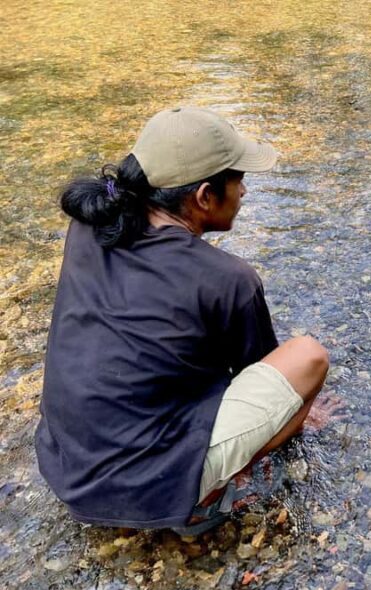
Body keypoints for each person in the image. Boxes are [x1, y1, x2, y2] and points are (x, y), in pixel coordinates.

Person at [35, 107, 331, 535]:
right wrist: (304, 409)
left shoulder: (88, 228)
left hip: (68, 468)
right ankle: (207, 496)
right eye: (238, 179)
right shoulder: (228, 278)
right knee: (308, 357)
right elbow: (265, 371)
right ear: (205, 196)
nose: (245, 191)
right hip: (147, 489)